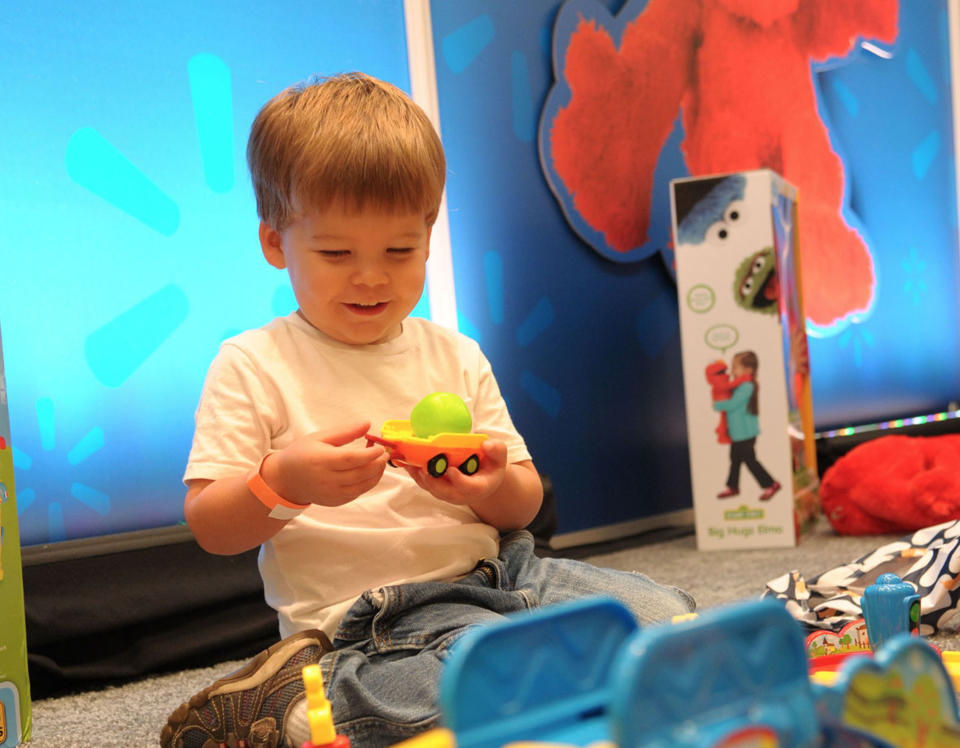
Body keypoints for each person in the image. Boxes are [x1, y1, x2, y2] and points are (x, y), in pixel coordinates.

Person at [160, 72, 694, 748]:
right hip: (367, 623)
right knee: (494, 684)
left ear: (429, 235)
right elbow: (212, 526)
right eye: (335, 253)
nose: (371, 276)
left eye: (399, 250)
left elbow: (521, 506)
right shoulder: (253, 363)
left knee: (663, 618)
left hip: (503, 578)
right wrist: (283, 482)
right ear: (275, 244)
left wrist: (492, 483)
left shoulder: (456, 355)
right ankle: (290, 703)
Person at [713, 350, 781, 502]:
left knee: (750, 461)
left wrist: (717, 405)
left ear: (748, 370)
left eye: (735, 367)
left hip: (745, 433)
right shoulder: (739, 385)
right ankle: (733, 486)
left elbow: (732, 404)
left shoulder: (747, 387)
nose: (732, 371)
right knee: (735, 459)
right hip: (737, 433)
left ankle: (771, 484)